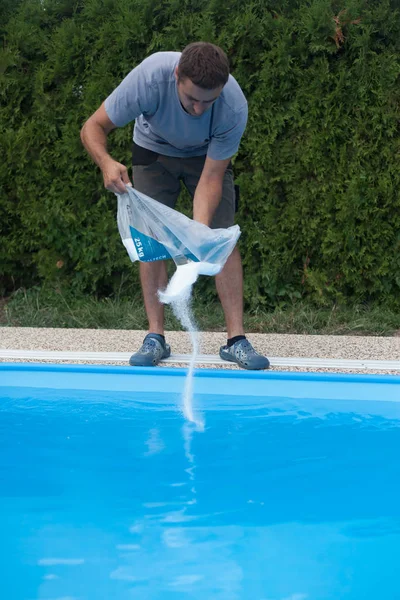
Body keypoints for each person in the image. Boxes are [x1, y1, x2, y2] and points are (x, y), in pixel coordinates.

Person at [80, 41, 269, 370]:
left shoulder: (233, 106)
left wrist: (197, 234)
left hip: (204, 157)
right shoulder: (150, 77)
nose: (198, 109)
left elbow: (211, 178)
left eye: (207, 102)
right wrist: (106, 162)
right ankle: (156, 337)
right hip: (153, 151)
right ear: (177, 75)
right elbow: (92, 127)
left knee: (219, 236)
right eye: (192, 98)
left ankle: (236, 339)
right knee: (150, 239)